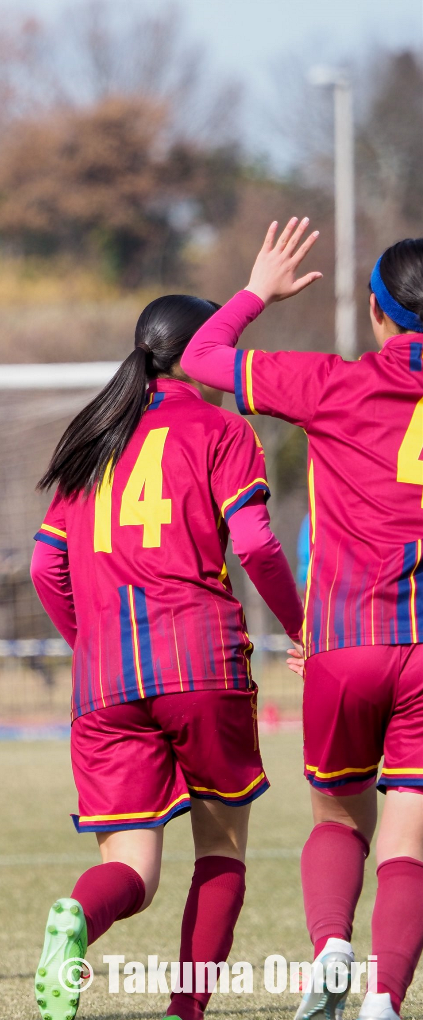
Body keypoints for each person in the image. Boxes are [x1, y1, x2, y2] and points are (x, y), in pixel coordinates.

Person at [29, 291, 304, 1020]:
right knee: (222, 849)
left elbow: (44, 568)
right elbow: (255, 544)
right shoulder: (222, 428)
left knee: (132, 871)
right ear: (197, 356)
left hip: (104, 678)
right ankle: (186, 1010)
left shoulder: (93, 435)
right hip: (199, 660)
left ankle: (78, 917)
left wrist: (90, 645)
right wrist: (301, 625)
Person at [181, 221, 423, 1020]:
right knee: (410, 840)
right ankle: (386, 1000)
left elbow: (201, 356)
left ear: (378, 311)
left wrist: (258, 290)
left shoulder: (331, 382)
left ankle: (331, 948)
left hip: (343, 642)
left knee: (338, 817)